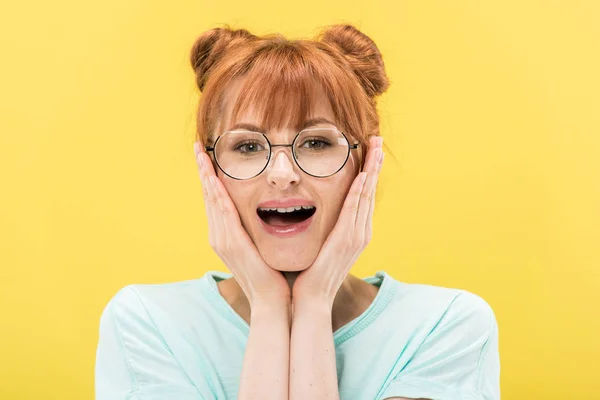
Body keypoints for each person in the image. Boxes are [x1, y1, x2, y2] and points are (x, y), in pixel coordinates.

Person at [95, 24, 500, 400]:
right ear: (211, 169)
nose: (283, 175)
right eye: (248, 146)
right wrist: (270, 305)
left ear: (365, 164)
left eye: (317, 143)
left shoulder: (446, 328)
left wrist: (314, 303)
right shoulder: (148, 324)